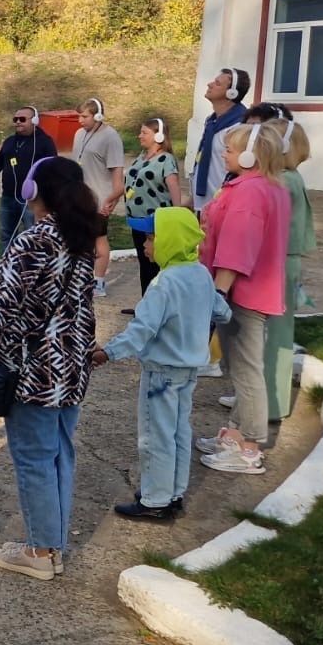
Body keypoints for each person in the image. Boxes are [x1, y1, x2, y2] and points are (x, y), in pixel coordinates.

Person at [0, 157, 98, 580]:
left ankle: (38, 550)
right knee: (59, 454)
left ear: (35, 192)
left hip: (34, 371)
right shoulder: (81, 239)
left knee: (34, 457)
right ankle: (53, 545)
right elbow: (83, 306)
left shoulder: (34, 241)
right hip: (70, 366)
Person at [92, 208, 232, 520]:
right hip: (188, 369)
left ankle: (155, 501)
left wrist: (108, 352)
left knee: (155, 435)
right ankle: (173, 492)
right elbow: (223, 313)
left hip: (161, 372)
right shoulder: (199, 274)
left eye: (152, 237)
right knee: (180, 431)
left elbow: (142, 330)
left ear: (170, 241)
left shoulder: (164, 284)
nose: (145, 243)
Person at [195, 123, 290, 476]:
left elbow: (236, 250)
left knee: (247, 370)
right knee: (241, 367)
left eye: (231, 150)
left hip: (243, 294)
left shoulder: (249, 193)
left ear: (250, 156)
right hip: (252, 290)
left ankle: (249, 446)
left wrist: (217, 295)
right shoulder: (265, 187)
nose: (225, 154)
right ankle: (235, 435)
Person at [258, 111, 314, 424]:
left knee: (275, 335)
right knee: (271, 333)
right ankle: (263, 396)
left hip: (277, 263)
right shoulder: (290, 179)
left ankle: (272, 402)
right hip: (283, 262)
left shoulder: (283, 182)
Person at [0, 106, 59, 252]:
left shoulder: (45, 142)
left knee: (33, 235)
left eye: (22, 119)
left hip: (31, 200)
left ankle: (32, 268)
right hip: (8, 197)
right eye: (15, 119)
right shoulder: (10, 142)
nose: (18, 122)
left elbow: (53, 168)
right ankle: (6, 268)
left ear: (34, 121)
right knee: (7, 235)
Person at [122, 117, 183, 304]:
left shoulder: (166, 159)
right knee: (144, 263)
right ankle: (145, 303)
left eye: (144, 133)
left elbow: (174, 188)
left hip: (155, 221)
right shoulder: (142, 156)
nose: (139, 136)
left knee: (154, 266)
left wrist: (177, 215)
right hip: (137, 220)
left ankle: (156, 306)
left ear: (158, 136)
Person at [71, 99, 125, 298]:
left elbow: (118, 179)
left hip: (99, 199)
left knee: (98, 241)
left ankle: (99, 282)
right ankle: (81, 278)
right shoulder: (79, 134)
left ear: (98, 115)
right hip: (78, 198)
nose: (80, 120)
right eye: (79, 116)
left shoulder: (111, 138)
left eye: (84, 116)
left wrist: (111, 201)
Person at [191, 68, 251, 211]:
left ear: (232, 93)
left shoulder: (240, 126)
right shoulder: (212, 122)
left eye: (217, 83)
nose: (209, 84)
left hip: (224, 205)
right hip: (204, 204)